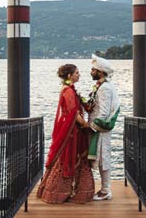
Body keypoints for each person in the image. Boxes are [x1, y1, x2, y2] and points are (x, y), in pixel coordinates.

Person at [37, 64, 95, 203]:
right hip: (72, 130)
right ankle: (60, 192)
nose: (79, 75)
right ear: (69, 76)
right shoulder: (68, 90)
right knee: (69, 157)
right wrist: (85, 124)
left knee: (69, 157)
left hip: (72, 129)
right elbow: (73, 112)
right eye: (76, 72)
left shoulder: (69, 89)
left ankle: (68, 190)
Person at [85, 54, 121, 201]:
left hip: (99, 129)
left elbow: (104, 112)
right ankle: (105, 189)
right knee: (101, 158)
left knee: (103, 159)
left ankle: (106, 190)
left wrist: (92, 126)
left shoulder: (104, 88)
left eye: (94, 70)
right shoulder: (102, 86)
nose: (91, 72)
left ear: (101, 72)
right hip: (98, 128)